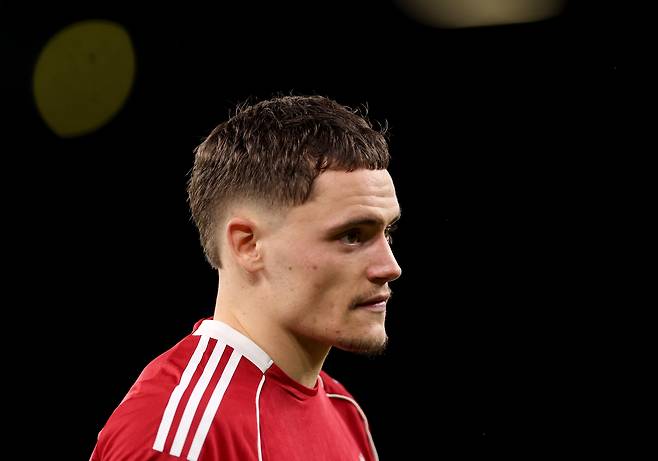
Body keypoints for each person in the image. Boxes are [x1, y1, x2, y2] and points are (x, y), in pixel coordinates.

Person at [90, 95, 402, 461]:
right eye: (352, 235)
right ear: (248, 245)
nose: (390, 266)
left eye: (388, 232)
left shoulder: (344, 410)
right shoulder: (180, 439)